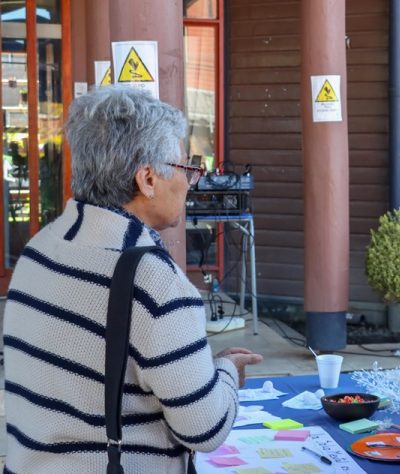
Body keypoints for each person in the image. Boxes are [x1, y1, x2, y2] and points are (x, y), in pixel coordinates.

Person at [2, 85, 263, 472]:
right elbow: (204, 429)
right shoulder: (155, 284)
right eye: (186, 168)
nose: (189, 182)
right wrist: (224, 372)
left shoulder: (39, 250)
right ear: (148, 179)